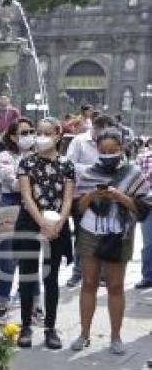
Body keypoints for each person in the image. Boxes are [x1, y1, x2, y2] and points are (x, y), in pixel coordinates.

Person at [72, 129, 150, 354]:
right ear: (97, 150)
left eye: (112, 151)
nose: (108, 155)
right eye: (103, 151)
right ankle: (84, 334)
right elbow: (77, 208)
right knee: (88, 283)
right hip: (89, 232)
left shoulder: (133, 173)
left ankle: (116, 337)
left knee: (116, 286)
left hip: (119, 234)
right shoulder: (88, 174)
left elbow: (143, 208)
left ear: (121, 149)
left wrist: (120, 197)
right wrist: (91, 196)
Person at [14, 118, 75, 349]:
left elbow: (68, 198)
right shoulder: (26, 162)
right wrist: (42, 223)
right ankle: (26, 325)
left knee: (51, 277)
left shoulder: (67, 164)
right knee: (27, 275)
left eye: (46, 133)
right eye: (38, 132)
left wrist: (58, 223)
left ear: (58, 136)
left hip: (57, 222)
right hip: (30, 221)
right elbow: (26, 196)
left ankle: (50, 327)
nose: (40, 137)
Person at [0, 118, 36, 317]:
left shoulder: (38, 155)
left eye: (31, 131)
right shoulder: (5, 156)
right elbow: (11, 183)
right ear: (12, 136)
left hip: (33, 207)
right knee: (7, 258)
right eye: (24, 133)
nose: (29, 136)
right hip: (10, 206)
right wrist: (34, 181)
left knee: (31, 256)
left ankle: (33, 302)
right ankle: (3, 300)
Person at [66, 115, 113, 287]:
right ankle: (78, 273)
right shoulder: (79, 141)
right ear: (94, 127)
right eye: (101, 131)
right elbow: (69, 164)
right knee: (81, 234)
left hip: (103, 197)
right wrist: (93, 170)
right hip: (81, 196)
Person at [135, 141, 152, 289]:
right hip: (148, 205)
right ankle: (148, 276)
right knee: (149, 244)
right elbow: (135, 180)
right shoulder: (144, 158)